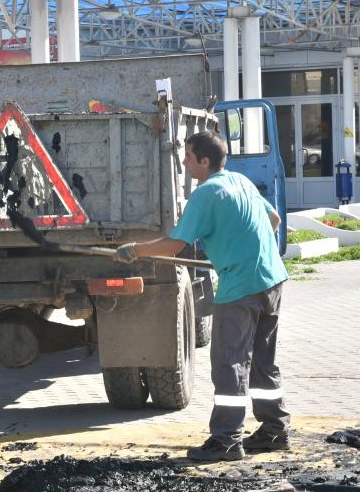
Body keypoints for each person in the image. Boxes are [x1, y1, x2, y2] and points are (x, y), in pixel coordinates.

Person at [115, 130, 290, 461]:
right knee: (263, 362)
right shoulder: (240, 181)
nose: (185, 162)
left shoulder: (206, 193)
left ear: (205, 161)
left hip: (241, 288)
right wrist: (243, 245)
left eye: (189, 156)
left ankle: (226, 440)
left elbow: (174, 244)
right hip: (273, 281)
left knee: (229, 364)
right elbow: (274, 220)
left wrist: (135, 251)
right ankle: (275, 431)